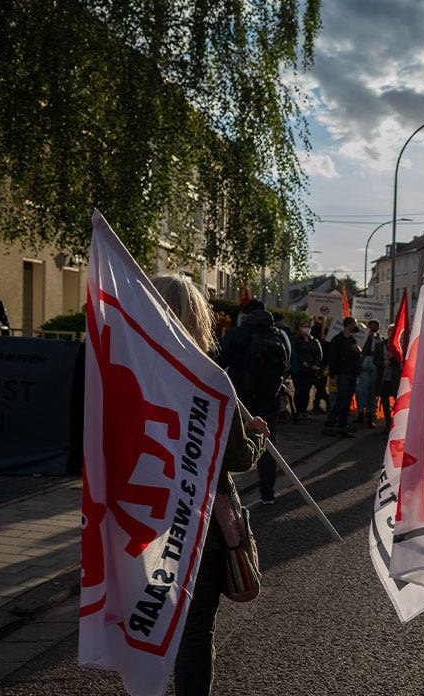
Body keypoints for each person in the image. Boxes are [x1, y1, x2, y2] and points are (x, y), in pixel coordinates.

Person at [150, 274, 269, 696]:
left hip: (144, 521)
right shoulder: (209, 378)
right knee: (195, 630)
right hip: (200, 529)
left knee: (148, 626)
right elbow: (236, 456)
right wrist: (257, 436)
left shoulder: (130, 371)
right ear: (197, 318)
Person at [216, 300, 288, 505]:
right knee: (267, 442)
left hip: (242, 399)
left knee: (237, 442)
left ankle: (230, 496)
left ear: (244, 315)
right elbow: (288, 363)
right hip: (270, 398)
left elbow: (217, 365)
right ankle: (268, 493)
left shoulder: (236, 334)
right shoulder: (279, 335)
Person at [323, 316, 362, 438]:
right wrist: (332, 376)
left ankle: (342, 426)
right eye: (354, 324)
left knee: (347, 402)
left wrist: (358, 351)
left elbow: (357, 357)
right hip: (342, 374)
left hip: (352, 373)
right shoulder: (337, 340)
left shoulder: (352, 340)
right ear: (349, 325)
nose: (356, 327)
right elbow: (333, 359)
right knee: (341, 401)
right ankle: (328, 425)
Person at [291, 320, 322, 423]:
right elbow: (294, 354)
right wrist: (303, 363)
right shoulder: (295, 339)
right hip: (300, 370)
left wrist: (316, 364)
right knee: (299, 391)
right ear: (299, 328)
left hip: (311, 371)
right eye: (304, 326)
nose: (306, 328)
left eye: (308, 326)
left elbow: (319, 354)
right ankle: (298, 411)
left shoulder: (314, 340)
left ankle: (303, 411)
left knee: (306, 391)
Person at [355, 319, 380, 428]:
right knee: (361, 390)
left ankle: (370, 416)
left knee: (372, 392)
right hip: (363, 363)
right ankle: (360, 413)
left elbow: (378, 351)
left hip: (374, 365)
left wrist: (374, 339)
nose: (372, 328)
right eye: (371, 326)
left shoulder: (379, 338)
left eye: (375, 326)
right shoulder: (361, 336)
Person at [309, 317, 331, 413]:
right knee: (319, 385)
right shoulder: (312, 330)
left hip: (324, 362)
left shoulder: (327, 331)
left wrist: (325, 339)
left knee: (321, 384)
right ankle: (327, 401)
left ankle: (316, 404)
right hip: (313, 363)